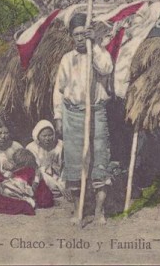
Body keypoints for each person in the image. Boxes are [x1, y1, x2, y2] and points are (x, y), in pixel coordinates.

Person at [53, 12, 114, 224]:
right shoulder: (67, 59)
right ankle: (79, 210)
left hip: (96, 113)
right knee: (74, 162)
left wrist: (94, 44)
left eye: (83, 34)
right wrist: (58, 117)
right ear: (71, 36)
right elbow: (59, 90)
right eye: (76, 34)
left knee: (99, 160)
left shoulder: (99, 54)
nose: (80, 38)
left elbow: (106, 68)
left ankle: (99, 211)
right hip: (72, 114)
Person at [0, 116, 53, 215]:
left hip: (20, 184)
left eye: (6, 133)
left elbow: (30, 166)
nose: (3, 136)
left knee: (45, 196)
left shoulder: (15, 146)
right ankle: (23, 203)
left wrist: (20, 174)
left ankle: (23, 199)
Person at [26, 120, 66, 198]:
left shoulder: (60, 146)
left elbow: (65, 166)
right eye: (44, 136)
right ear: (37, 135)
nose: (47, 138)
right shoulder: (31, 148)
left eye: (50, 135)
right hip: (42, 177)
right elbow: (34, 170)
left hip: (60, 178)